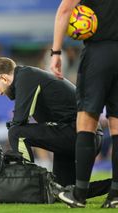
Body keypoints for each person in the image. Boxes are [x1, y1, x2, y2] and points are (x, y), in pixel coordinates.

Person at [0, 57, 111, 200]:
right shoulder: (28, 76)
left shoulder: (25, 76)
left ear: (4, 78)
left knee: (16, 133)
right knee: (63, 191)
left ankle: (25, 186)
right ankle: (113, 186)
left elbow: (19, 120)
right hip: (79, 134)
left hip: (82, 134)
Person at [50, 0, 118, 208]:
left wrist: (56, 53)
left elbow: (65, 10)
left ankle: (79, 194)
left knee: (86, 122)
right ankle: (115, 195)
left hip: (98, 53)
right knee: (116, 127)